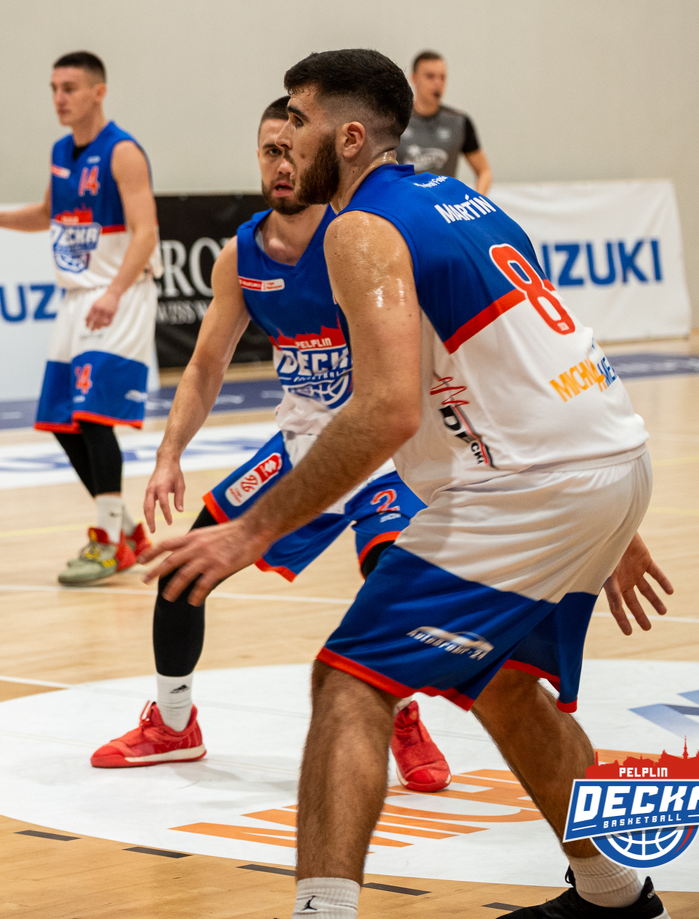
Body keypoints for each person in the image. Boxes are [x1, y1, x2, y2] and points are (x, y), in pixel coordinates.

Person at [137, 49, 673, 919]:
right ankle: (615, 896)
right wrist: (609, 512)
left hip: (532, 485)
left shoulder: (359, 230)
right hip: (604, 456)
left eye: (299, 121)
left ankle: (322, 911)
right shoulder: (463, 201)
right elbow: (539, 353)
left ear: (349, 138)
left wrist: (250, 530)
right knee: (500, 683)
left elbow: (384, 411)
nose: (285, 137)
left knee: (349, 683)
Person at [91, 97, 449, 795]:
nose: (281, 165)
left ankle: (403, 715)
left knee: (388, 579)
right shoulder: (241, 256)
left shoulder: (360, 240)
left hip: (377, 447)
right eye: (269, 151)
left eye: (292, 151)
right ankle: (173, 724)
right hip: (301, 445)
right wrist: (168, 455)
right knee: (183, 571)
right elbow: (205, 366)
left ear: (320, 155)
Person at [0, 51, 161, 585]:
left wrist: (114, 293)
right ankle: (126, 531)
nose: (59, 98)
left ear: (99, 92)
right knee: (61, 421)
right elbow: (47, 214)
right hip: (77, 297)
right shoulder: (59, 151)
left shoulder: (123, 152)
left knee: (93, 416)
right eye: (54, 88)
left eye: (69, 88)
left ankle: (107, 541)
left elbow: (146, 231)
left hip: (119, 292)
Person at [395, 50, 491, 194]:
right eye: (430, 76)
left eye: (442, 77)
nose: (437, 83)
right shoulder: (396, 120)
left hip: (444, 204)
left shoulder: (459, 122)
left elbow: (484, 171)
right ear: (414, 78)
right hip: (405, 203)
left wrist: (477, 199)